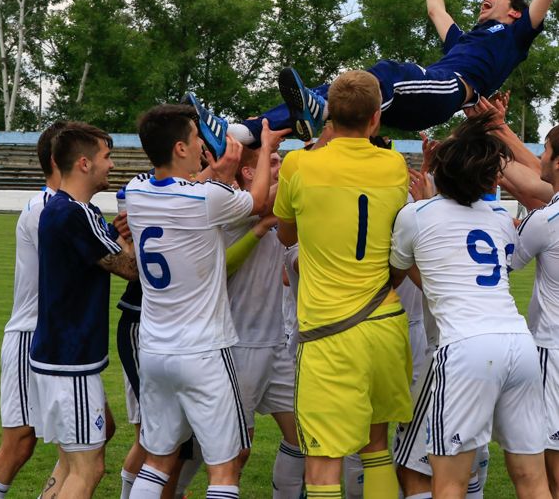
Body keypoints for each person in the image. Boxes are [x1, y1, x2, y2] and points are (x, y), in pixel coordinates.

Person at [186, 0, 559, 156]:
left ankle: (320, 111)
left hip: (447, 90)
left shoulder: (516, 35)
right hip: (420, 98)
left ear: (514, 13)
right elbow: (435, 9)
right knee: (338, 90)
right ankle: (240, 134)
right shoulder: (465, 39)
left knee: (388, 72)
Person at [125, 104, 287, 499]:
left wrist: (217, 173)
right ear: (181, 148)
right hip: (203, 351)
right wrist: (263, 149)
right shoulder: (208, 199)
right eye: (197, 139)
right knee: (226, 465)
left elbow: (193, 186)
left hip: (155, 348)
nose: (203, 146)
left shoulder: (135, 190)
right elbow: (260, 201)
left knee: (158, 459)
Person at [390, 112, 551, 499]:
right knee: (532, 480)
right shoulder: (498, 216)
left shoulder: (414, 215)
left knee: (448, 484)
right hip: (518, 344)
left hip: (465, 350)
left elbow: (396, 275)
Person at [274, 70, 413, 499]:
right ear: (376, 119)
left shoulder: (299, 163)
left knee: (322, 463)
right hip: (384, 321)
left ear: (329, 117)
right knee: (376, 449)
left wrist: (319, 137)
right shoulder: (395, 166)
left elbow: (285, 235)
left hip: (329, 333)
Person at [28, 122, 138, 499]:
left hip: (56, 358)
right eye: (106, 157)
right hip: (70, 361)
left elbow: (105, 251)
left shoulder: (67, 211)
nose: (112, 164)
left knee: (68, 464)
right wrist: (130, 244)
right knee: (89, 468)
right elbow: (131, 271)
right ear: (84, 163)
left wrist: (119, 237)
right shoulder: (75, 213)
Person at [0, 121, 65, 499]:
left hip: (57, 341)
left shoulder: (66, 208)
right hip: (30, 337)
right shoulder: (44, 210)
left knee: (91, 436)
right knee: (18, 445)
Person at [225, 148, 304, 498]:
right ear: (246, 172)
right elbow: (266, 202)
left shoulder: (280, 213)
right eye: (271, 162)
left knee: (304, 436)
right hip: (240, 347)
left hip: (276, 344)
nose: (280, 167)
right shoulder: (240, 208)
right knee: (235, 452)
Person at [511, 125, 559, 497]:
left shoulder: (545, 221)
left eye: (545, 151)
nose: (540, 158)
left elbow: (508, 262)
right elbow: (530, 185)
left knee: (550, 466)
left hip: (552, 350)